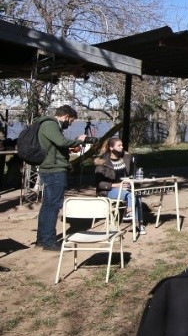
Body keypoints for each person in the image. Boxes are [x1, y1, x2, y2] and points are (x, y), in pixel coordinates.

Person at [35, 105, 87, 250]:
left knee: (48, 205)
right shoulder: (50, 125)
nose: (69, 124)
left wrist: (70, 146)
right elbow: (61, 142)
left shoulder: (49, 125)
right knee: (53, 206)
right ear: (66, 117)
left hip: (52, 168)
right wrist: (80, 141)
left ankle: (42, 239)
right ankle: (49, 241)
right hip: (54, 170)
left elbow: (57, 145)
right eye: (70, 121)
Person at [95, 137, 145, 234]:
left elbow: (131, 174)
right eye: (119, 145)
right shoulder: (103, 162)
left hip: (127, 187)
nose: (122, 147)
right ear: (111, 147)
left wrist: (132, 181)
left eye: (122, 145)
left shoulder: (126, 158)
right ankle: (129, 213)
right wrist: (117, 185)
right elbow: (99, 183)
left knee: (137, 196)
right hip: (109, 190)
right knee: (131, 195)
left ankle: (140, 224)